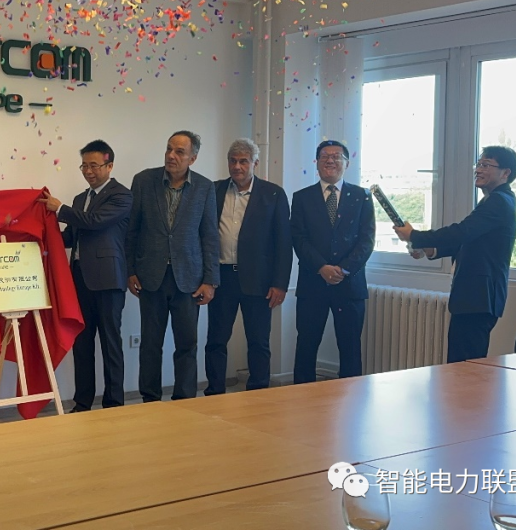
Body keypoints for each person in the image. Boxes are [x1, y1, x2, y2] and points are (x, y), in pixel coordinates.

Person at [394, 146, 516, 362]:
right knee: (463, 362)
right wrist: (431, 249)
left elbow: (462, 231)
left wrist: (415, 235)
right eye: (478, 164)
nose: (478, 169)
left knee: (465, 365)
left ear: (505, 173)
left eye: (486, 165)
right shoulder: (495, 199)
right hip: (476, 298)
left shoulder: (499, 201)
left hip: (479, 298)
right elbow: (469, 240)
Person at [126, 131, 220, 402]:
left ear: (193, 158)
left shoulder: (204, 187)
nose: (171, 155)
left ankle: (184, 400)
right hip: (151, 276)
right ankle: (150, 399)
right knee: (150, 344)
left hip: (189, 279)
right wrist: (130, 270)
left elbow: (209, 236)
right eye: (169, 149)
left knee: (187, 344)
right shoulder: (143, 181)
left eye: (179, 152)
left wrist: (210, 280)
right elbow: (131, 231)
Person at [41, 140, 132, 411]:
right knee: (81, 343)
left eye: (94, 165)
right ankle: (82, 402)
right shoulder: (81, 199)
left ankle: (114, 402)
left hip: (109, 280)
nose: (88, 171)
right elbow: (72, 236)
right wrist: (43, 235)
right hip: (80, 278)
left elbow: (95, 222)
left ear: (109, 165)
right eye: (84, 166)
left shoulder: (121, 195)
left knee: (110, 343)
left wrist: (59, 210)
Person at [204, 138, 292, 395]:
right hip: (221, 277)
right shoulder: (214, 190)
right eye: (233, 161)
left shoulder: (273, 194)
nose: (237, 166)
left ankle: (259, 394)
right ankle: (214, 393)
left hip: (259, 280)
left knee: (258, 341)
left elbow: (283, 243)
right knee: (216, 340)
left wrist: (280, 284)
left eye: (243, 161)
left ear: (255, 163)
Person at [290, 140, 375, 384]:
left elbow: (367, 240)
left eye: (337, 156)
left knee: (350, 347)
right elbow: (299, 238)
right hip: (312, 284)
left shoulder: (362, 196)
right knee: (306, 345)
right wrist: (321, 267)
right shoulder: (302, 197)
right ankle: (302, 395)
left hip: (349, 285)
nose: (330, 160)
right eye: (324, 156)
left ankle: (351, 397)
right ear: (316, 163)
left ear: (347, 163)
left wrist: (343, 269)